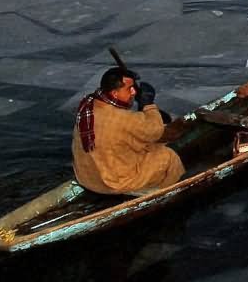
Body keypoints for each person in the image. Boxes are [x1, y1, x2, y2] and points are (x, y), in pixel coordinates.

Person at [73, 66, 184, 194]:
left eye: (133, 88)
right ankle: (161, 193)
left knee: (144, 145)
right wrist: (148, 105)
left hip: (87, 179)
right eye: (129, 89)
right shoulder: (124, 119)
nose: (134, 92)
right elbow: (155, 131)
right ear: (114, 93)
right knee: (168, 156)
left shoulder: (88, 105)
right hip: (113, 183)